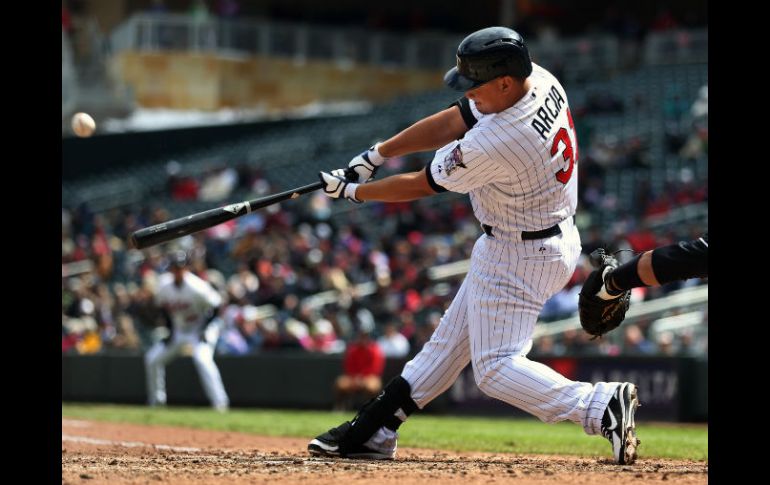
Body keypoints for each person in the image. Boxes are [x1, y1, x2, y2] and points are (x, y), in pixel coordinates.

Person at [308, 26, 640, 465]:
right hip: (535, 239)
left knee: (495, 369)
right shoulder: (537, 80)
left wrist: (353, 193)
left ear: (503, 81)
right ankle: (375, 428)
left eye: (476, 83)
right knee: (445, 348)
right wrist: (376, 154)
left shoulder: (500, 138)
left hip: (522, 253)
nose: (470, 93)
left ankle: (597, 406)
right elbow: (456, 117)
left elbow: (423, 184)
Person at [144, 250, 230, 411]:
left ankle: (220, 403)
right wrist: (170, 331)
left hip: (200, 329)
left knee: (202, 359)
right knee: (152, 359)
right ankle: (157, 402)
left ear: (187, 268)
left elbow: (218, 307)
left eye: (181, 267)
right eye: (175, 267)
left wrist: (204, 330)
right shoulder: (164, 285)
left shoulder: (197, 286)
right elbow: (162, 308)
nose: (178, 271)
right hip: (179, 330)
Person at [591, 234, 708, 301]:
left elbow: (659, 264)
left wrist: (613, 282)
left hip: (634, 286)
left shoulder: (625, 244)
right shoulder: (619, 244)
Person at [333, 325, 385, 410]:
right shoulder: (353, 349)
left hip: (369, 377)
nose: (363, 339)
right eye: (361, 336)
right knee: (340, 383)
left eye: (365, 336)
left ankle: (373, 408)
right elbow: (348, 366)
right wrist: (356, 378)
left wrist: (362, 378)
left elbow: (376, 369)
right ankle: (340, 407)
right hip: (353, 377)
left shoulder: (375, 349)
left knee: (371, 386)